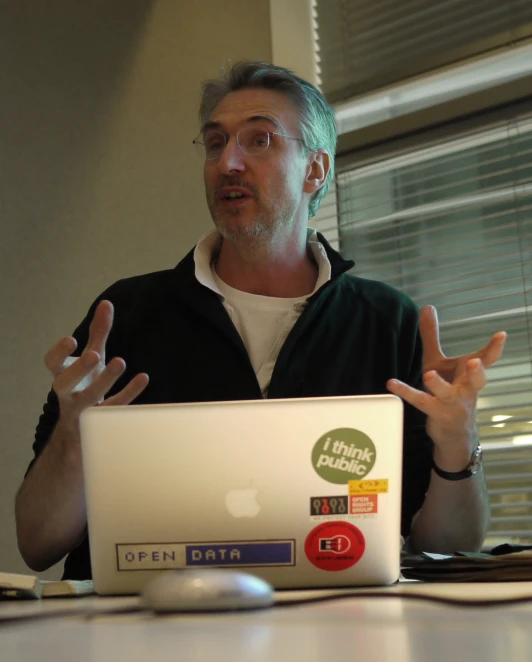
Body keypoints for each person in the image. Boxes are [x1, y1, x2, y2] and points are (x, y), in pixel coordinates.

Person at [15, 62, 506, 580]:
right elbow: (37, 544)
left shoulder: (387, 322)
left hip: (336, 635)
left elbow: (450, 549)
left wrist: (457, 439)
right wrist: (73, 435)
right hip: (142, 632)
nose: (228, 162)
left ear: (314, 170)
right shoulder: (126, 315)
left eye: (260, 140)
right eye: (214, 142)